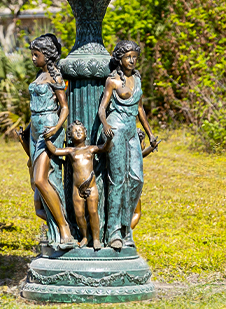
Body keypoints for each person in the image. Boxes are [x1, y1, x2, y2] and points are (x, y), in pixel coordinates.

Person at [98, 40, 158, 250]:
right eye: (127, 57)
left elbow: (140, 109)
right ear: (119, 59)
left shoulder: (137, 80)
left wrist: (150, 134)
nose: (132, 61)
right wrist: (105, 126)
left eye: (134, 57)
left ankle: (126, 226)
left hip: (132, 131)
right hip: (116, 129)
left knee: (136, 179)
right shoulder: (112, 81)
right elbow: (102, 110)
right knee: (117, 180)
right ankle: (114, 231)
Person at [25, 33, 76, 250]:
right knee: (35, 190)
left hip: (48, 130)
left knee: (40, 179)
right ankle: (52, 228)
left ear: (47, 55)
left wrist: (56, 128)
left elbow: (64, 107)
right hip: (35, 130)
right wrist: (26, 131)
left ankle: (65, 229)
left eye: (36, 55)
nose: (33, 59)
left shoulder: (55, 78)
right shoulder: (39, 78)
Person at [45, 120, 113, 250]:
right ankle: (84, 236)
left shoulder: (90, 149)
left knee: (93, 212)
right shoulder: (71, 151)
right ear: (70, 136)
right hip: (77, 188)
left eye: (80, 130)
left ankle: (96, 239)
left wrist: (109, 139)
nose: (78, 132)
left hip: (91, 186)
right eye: (75, 131)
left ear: (85, 134)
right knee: (79, 214)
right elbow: (54, 150)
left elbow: (104, 147)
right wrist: (47, 140)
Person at [130, 129, 159, 229]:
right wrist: (151, 147)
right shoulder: (135, 155)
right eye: (143, 143)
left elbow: (141, 154)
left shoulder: (125, 154)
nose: (144, 145)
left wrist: (151, 148)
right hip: (133, 186)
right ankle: (125, 234)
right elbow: (140, 154)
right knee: (137, 213)